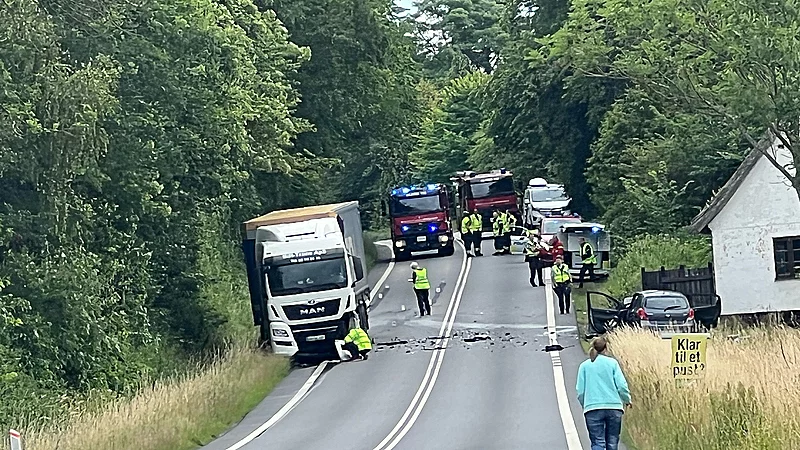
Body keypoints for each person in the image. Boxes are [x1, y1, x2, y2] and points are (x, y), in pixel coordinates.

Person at [576, 337, 632, 450]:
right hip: (614, 407)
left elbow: (580, 391)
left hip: (592, 408)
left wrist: (585, 404)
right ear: (606, 348)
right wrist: (627, 399)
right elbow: (621, 386)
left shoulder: (584, 366)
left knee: (597, 442)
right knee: (612, 441)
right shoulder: (612, 363)